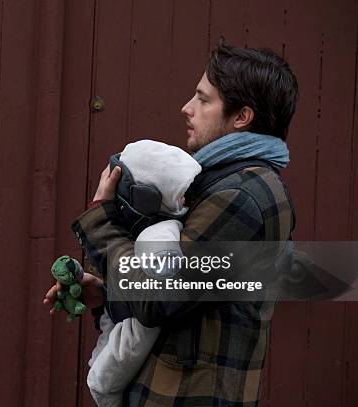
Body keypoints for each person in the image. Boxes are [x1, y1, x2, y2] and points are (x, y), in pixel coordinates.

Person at [45, 40, 297, 406]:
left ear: (242, 116)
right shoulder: (226, 184)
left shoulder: (241, 196)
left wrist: (101, 218)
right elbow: (183, 304)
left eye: (203, 99)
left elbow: (156, 300)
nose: (187, 108)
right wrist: (105, 294)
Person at [87, 140, 201, 407]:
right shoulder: (146, 232)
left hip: (137, 339)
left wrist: (101, 381)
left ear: (140, 196)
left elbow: (151, 305)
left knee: (101, 383)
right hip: (125, 329)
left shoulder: (157, 236)